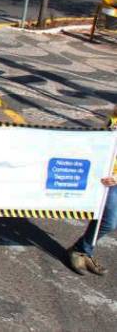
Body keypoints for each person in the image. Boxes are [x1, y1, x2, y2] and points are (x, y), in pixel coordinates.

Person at [67, 113, 117, 275]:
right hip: (110, 179)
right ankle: (80, 249)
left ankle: (84, 250)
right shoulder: (114, 123)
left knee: (107, 220)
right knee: (109, 222)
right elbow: (103, 150)